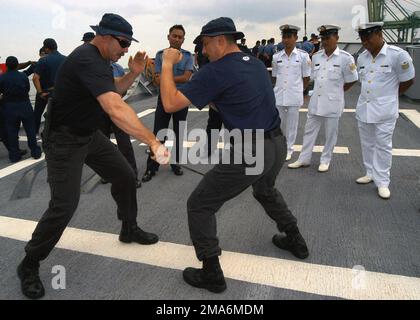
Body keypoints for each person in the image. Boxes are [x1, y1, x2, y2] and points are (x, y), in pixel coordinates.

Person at [17, 13, 170, 300]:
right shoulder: (87, 58)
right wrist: (152, 141)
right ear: (105, 36)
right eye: (123, 43)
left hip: (88, 134)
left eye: (128, 44)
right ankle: (30, 262)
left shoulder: (100, 62)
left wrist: (134, 71)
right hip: (63, 139)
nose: (126, 49)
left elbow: (114, 90)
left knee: (125, 176)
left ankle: (129, 228)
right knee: (64, 205)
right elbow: (114, 107)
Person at [160, 17, 309, 293]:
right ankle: (296, 239)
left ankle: (212, 272)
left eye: (205, 44)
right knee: (264, 190)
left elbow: (169, 103)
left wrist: (168, 63)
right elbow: (238, 97)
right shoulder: (254, 63)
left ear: (220, 40)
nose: (204, 51)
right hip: (276, 144)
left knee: (200, 204)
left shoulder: (215, 71)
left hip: (250, 150)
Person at [355, 22, 415, 199]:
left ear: (380, 34)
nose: (365, 41)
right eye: (362, 38)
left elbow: (408, 80)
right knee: (367, 144)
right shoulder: (362, 58)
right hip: (364, 109)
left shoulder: (397, 55)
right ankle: (370, 173)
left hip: (385, 111)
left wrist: (390, 96)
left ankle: (382, 182)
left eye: (369, 37)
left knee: (383, 146)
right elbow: (364, 81)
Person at [288, 25, 358, 173]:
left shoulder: (346, 58)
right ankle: (304, 158)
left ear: (337, 38)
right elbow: (313, 77)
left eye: (328, 38)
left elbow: (352, 79)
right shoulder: (316, 56)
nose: (325, 41)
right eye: (323, 38)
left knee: (330, 134)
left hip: (333, 102)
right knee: (309, 131)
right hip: (316, 102)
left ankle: (325, 160)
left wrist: (339, 91)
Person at [142, 24, 194, 182]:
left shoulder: (187, 56)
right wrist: (166, 79)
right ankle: (152, 167)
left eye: (180, 37)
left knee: (179, 133)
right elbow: (157, 80)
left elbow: (186, 77)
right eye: (174, 36)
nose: (177, 39)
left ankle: (176, 164)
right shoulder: (160, 55)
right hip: (164, 98)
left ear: (183, 40)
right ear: (168, 37)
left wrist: (166, 78)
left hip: (181, 98)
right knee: (159, 134)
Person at [99, 61, 142, 188]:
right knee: (102, 144)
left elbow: (125, 88)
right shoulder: (93, 67)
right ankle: (106, 174)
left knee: (125, 144)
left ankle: (133, 176)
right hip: (100, 112)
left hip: (117, 110)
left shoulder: (118, 68)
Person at [272, 25, 311, 161]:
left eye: (289, 37)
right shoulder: (277, 57)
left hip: (294, 95)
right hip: (279, 95)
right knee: (279, 124)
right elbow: (275, 77)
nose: (286, 40)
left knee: (292, 126)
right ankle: (279, 148)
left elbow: (306, 77)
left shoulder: (303, 56)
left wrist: (300, 90)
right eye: (284, 37)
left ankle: (289, 149)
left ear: (296, 38)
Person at [0, 56, 42, 162]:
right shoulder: (23, 76)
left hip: (9, 107)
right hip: (24, 105)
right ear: (16, 65)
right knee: (30, 130)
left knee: (12, 132)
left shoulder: (2, 77)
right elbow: (27, 88)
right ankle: (35, 152)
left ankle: (14, 156)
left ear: (7, 65)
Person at [32, 38, 66, 135]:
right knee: (59, 114)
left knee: (37, 114)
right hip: (60, 92)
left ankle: (34, 135)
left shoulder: (43, 60)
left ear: (46, 49)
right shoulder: (66, 59)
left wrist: (40, 92)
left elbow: (35, 78)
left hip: (45, 92)